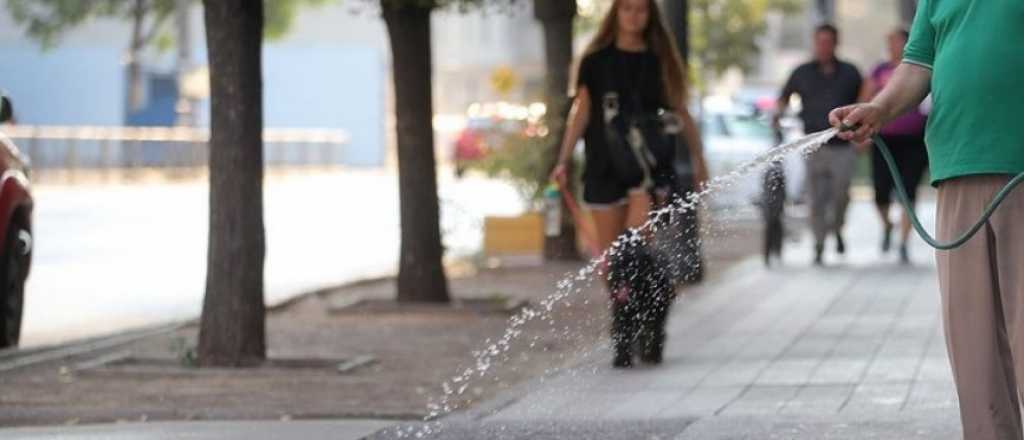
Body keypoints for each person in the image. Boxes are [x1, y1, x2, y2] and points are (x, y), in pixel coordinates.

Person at [830, 1, 1024, 438]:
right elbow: (918, 64)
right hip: (956, 163)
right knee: (973, 346)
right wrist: (878, 109)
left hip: (1020, 165)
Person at [549, 0, 708, 368]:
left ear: (650, 15)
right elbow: (582, 110)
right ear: (615, 14)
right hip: (603, 168)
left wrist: (699, 159)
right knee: (610, 262)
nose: (634, 16)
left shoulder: (660, 60)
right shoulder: (596, 61)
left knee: (635, 255)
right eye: (627, 9)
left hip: (645, 172)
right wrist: (562, 159)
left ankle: (642, 326)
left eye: (641, 10)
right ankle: (629, 319)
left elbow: (681, 110)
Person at [774, 24, 863, 266]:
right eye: (819, 41)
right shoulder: (802, 72)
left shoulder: (850, 72)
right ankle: (819, 244)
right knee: (816, 198)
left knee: (841, 195)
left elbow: (864, 98)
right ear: (815, 43)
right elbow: (783, 98)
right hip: (813, 145)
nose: (823, 46)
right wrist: (776, 114)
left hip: (843, 146)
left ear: (835, 43)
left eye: (828, 42)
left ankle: (837, 228)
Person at [859, 29, 928, 264]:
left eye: (896, 42)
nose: (892, 46)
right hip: (884, 140)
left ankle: (904, 242)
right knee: (880, 192)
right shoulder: (879, 70)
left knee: (908, 192)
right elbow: (866, 99)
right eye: (889, 42)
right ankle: (888, 225)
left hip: (913, 141)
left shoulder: (923, 68)